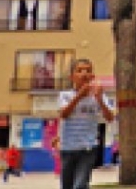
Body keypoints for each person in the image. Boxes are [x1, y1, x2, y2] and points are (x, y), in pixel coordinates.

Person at [58, 58, 115, 189]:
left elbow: (110, 117)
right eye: (79, 71)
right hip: (68, 148)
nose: (84, 74)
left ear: (92, 76)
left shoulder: (99, 96)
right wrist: (79, 96)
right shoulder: (65, 95)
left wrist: (99, 99)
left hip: (88, 148)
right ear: (72, 77)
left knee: (80, 185)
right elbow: (64, 114)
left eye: (88, 71)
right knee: (67, 185)